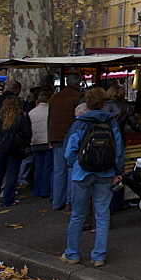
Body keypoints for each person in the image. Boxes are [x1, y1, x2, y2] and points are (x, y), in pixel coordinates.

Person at [60, 87, 124, 267]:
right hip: (105, 172)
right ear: (104, 103)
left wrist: (75, 164)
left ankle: (72, 253)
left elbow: (70, 150)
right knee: (102, 215)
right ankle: (99, 255)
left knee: (78, 215)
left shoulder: (80, 123)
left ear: (87, 103)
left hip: (82, 172)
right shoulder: (111, 122)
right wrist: (117, 171)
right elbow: (118, 150)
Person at [0, 95, 32, 206]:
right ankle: (8, 199)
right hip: (14, 149)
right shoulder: (20, 117)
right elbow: (27, 133)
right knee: (12, 174)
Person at [48, 74, 83, 210]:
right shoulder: (78, 97)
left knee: (59, 170)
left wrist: (50, 137)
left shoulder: (55, 98)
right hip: (72, 135)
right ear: (78, 83)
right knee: (71, 170)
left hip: (56, 136)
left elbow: (50, 118)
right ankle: (69, 201)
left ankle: (57, 202)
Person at [29, 90, 53, 199]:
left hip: (35, 141)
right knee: (47, 167)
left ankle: (36, 190)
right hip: (47, 141)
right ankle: (44, 190)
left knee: (38, 167)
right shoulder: (51, 111)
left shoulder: (32, 112)